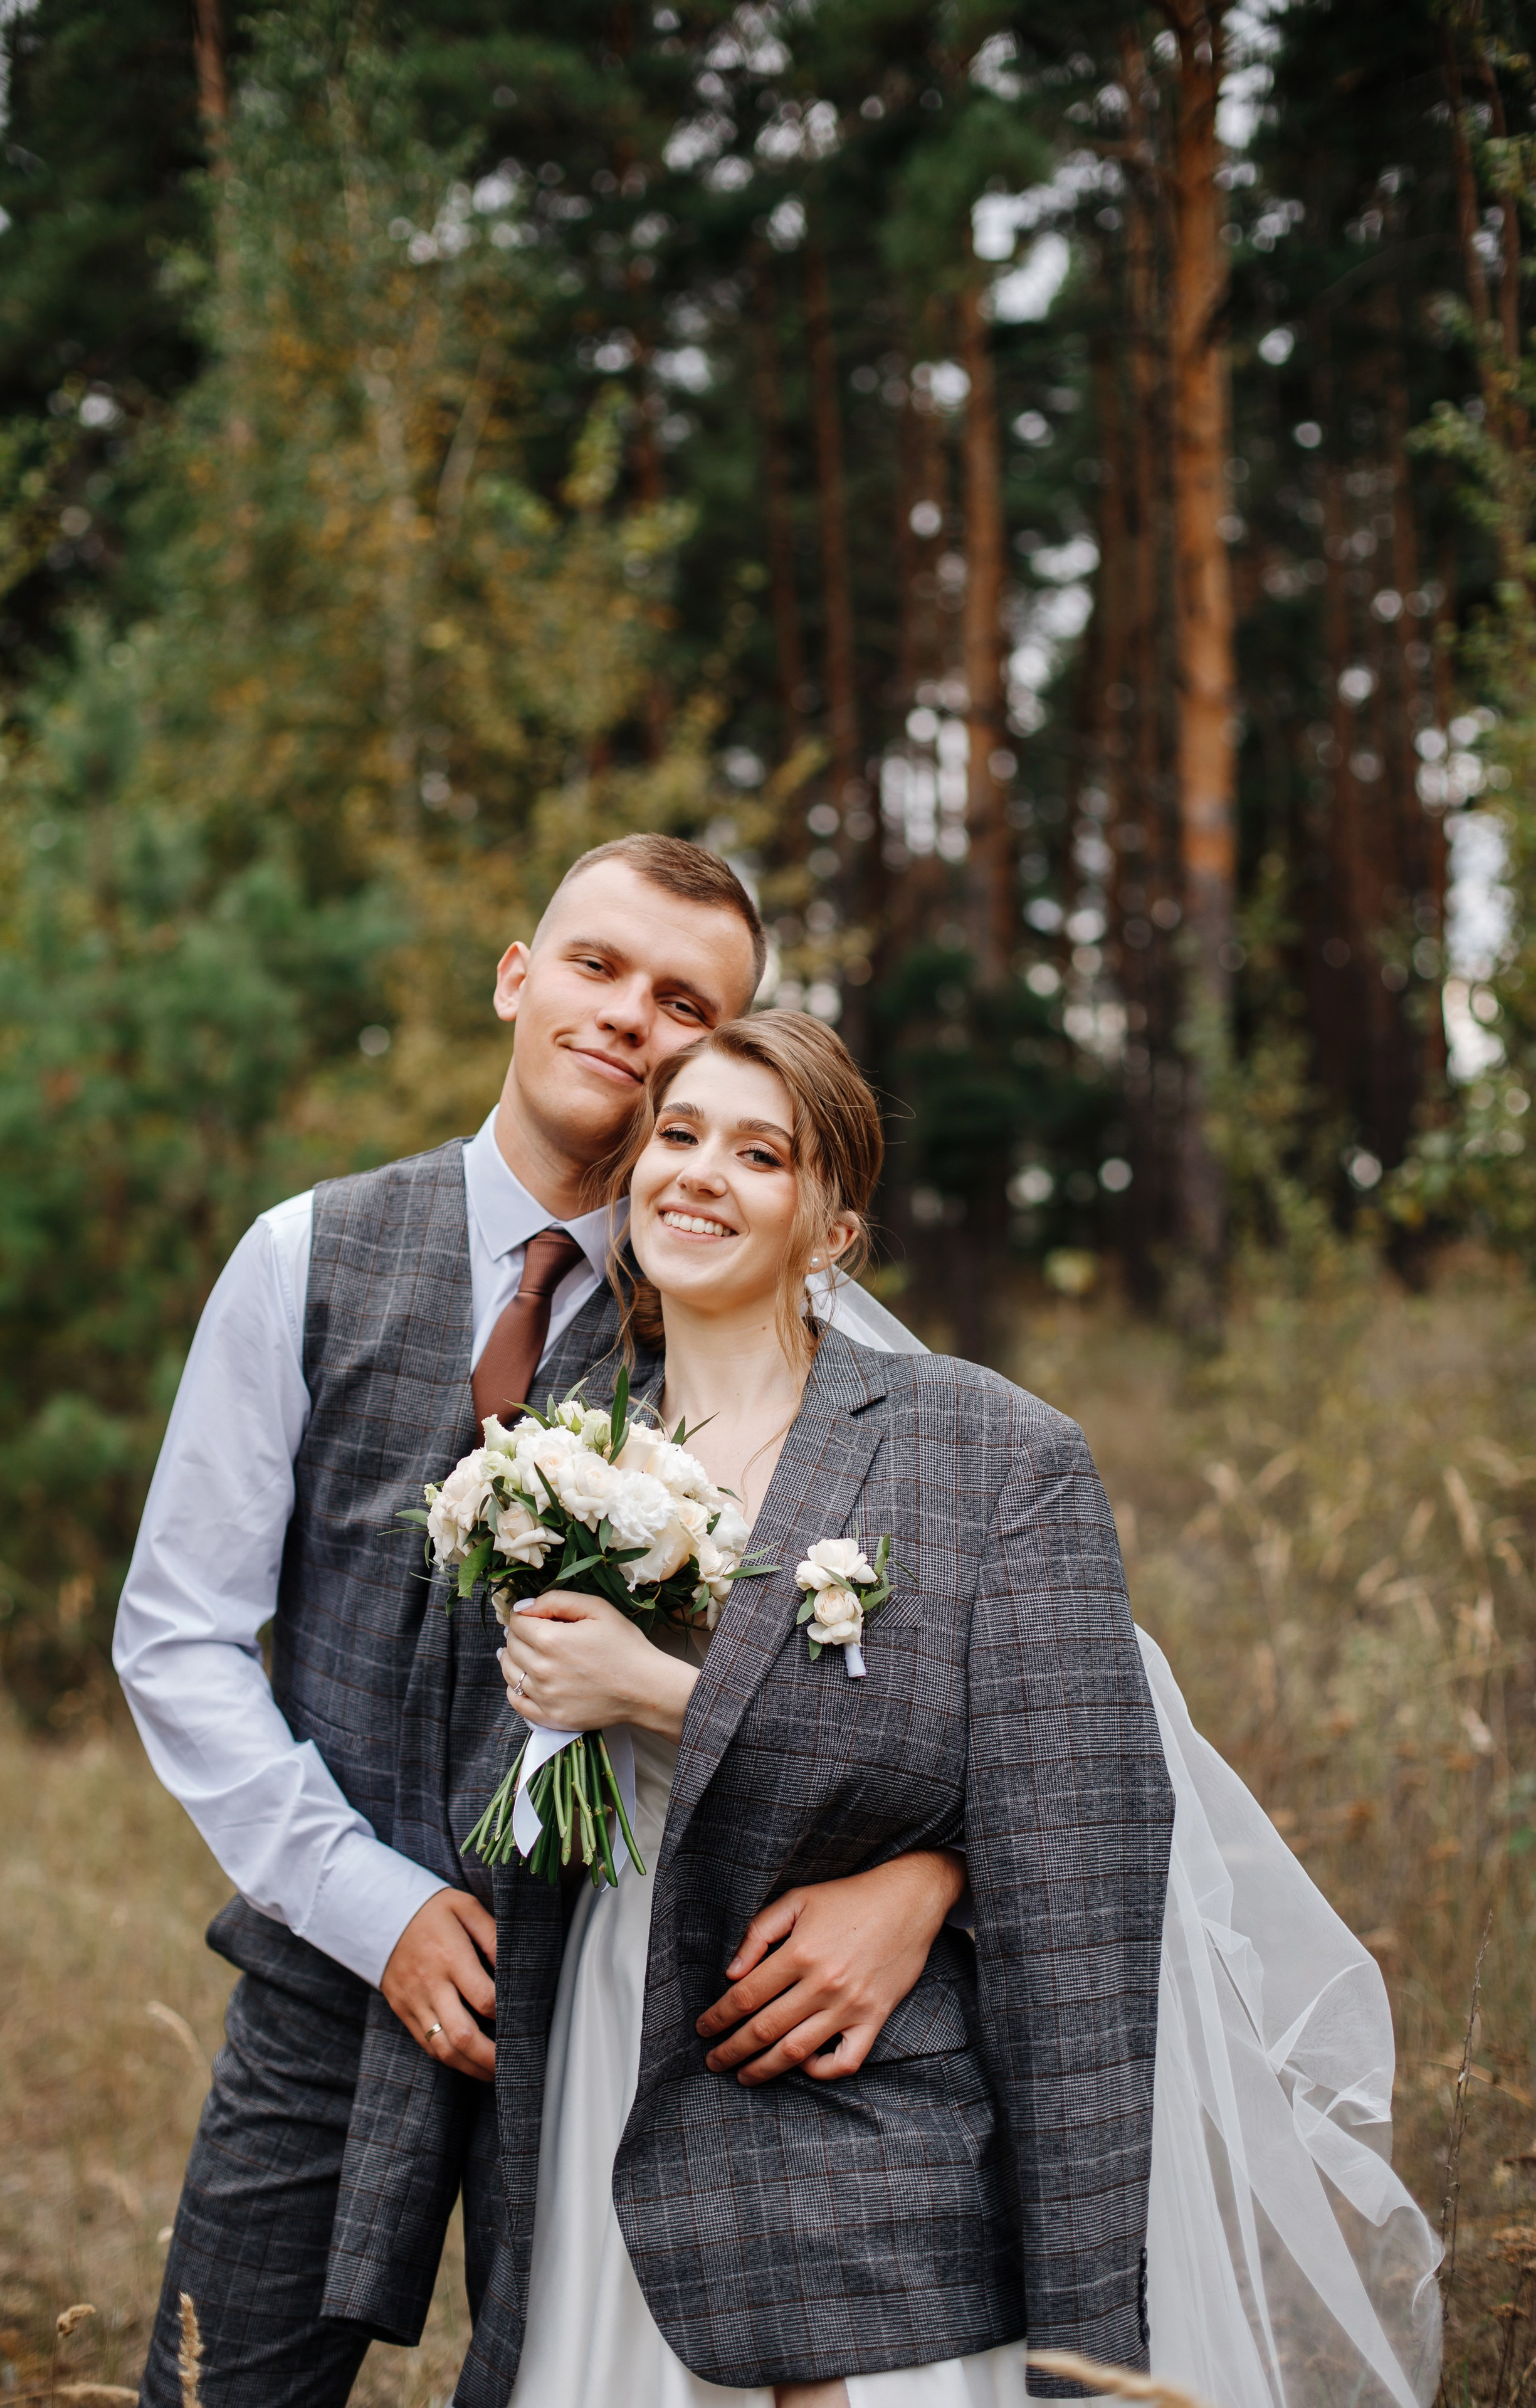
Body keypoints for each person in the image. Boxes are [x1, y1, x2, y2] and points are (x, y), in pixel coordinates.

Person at [463, 1012, 1443, 2408]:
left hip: (857, 2081)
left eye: (759, 1153)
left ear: (831, 1232)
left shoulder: (986, 1450)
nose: (697, 1175)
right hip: (604, 2032)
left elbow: (1072, 1824)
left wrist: (657, 1691)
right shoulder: (564, 1434)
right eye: (675, 1136)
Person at [115, 838, 967, 2408]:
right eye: (596, 967)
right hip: (332, 1962)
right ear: (517, 976)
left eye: (681, 1000)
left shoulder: (769, 1319)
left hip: (632, 2008)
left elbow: (972, 1687)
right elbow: (177, 1632)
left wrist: (926, 1876)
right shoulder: (306, 1257)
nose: (628, 1017)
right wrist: (370, 1906)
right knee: (222, 2387)